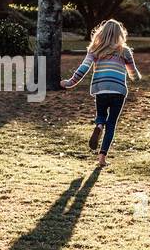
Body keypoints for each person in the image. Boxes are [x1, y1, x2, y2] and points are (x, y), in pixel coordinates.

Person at [60, 19, 140, 167]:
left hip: (100, 90)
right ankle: (102, 158)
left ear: (101, 33)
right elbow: (133, 74)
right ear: (120, 35)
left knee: (101, 116)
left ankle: (98, 126)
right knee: (112, 124)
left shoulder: (95, 50)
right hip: (118, 91)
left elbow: (83, 68)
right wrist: (137, 77)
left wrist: (70, 82)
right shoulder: (125, 51)